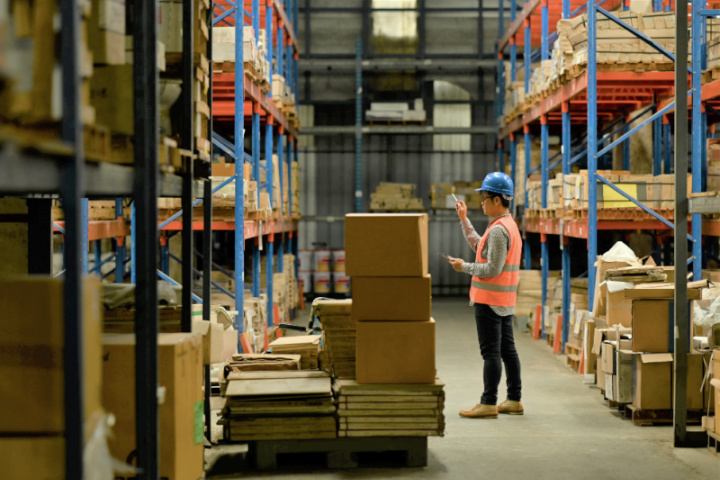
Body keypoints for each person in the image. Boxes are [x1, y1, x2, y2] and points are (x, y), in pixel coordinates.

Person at [445, 172, 524, 419]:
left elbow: (492, 269)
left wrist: (463, 267)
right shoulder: (503, 225)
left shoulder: (500, 230)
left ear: (498, 200)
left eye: (485, 197)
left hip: (490, 301)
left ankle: (488, 402)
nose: (482, 202)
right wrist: (464, 219)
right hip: (503, 300)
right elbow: (480, 246)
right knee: (507, 351)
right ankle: (513, 399)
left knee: (492, 352)